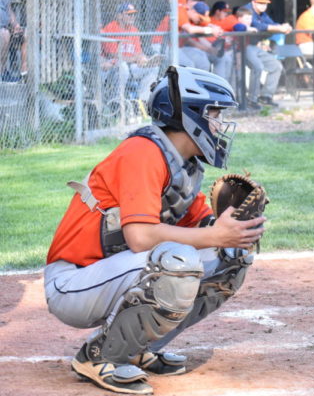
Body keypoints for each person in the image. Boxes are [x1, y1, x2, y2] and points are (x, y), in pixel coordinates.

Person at [44, 65, 265, 395]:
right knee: (177, 260)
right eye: (214, 113)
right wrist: (214, 235)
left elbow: (205, 229)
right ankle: (99, 356)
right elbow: (140, 236)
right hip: (74, 282)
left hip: (111, 274)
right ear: (190, 115)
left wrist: (235, 230)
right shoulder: (143, 151)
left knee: (229, 259)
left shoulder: (183, 167)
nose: (219, 123)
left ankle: (134, 346)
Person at [99, 3, 160, 103]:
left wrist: (143, 59)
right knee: (123, 67)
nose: (133, 17)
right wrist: (134, 58)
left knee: (153, 67)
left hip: (132, 67)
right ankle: (116, 101)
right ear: (119, 16)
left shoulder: (134, 30)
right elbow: (112, 54)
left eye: (133, 14)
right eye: (129, 14)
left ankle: (143, 102)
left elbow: (138, 52)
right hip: (113, 66)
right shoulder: (110, 28)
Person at [245, 0, 291, 107]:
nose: (263, 5)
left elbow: (271, 24)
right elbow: (258, 25)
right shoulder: (247, 10)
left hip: (255, 46)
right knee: (257, 67)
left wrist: (282, 27)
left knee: (276, 66)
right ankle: (252, 99)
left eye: (265, 3)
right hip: (242, 46)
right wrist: (278, 28)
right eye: (260, 2)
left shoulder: (262, 13)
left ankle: (266, 96)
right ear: (253, 2)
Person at [0, 0, 23, 81]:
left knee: (18, 35)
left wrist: (16, 24)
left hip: (3, 27)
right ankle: (2, 72)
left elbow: (9, 11)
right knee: (4, 34)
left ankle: (3, 73)